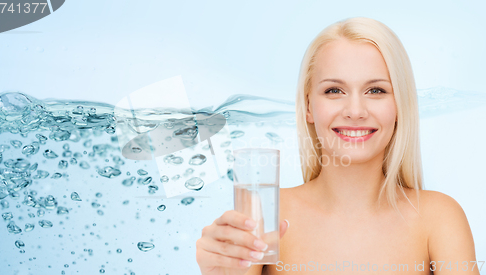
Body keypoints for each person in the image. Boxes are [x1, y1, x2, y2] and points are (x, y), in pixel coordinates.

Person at [195, 17, 479, 275]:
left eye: (376, 90)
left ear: (400, 105)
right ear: (308, 106)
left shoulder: (439, 218)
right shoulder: (265, 214)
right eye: (334, 91)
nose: (355, 111)